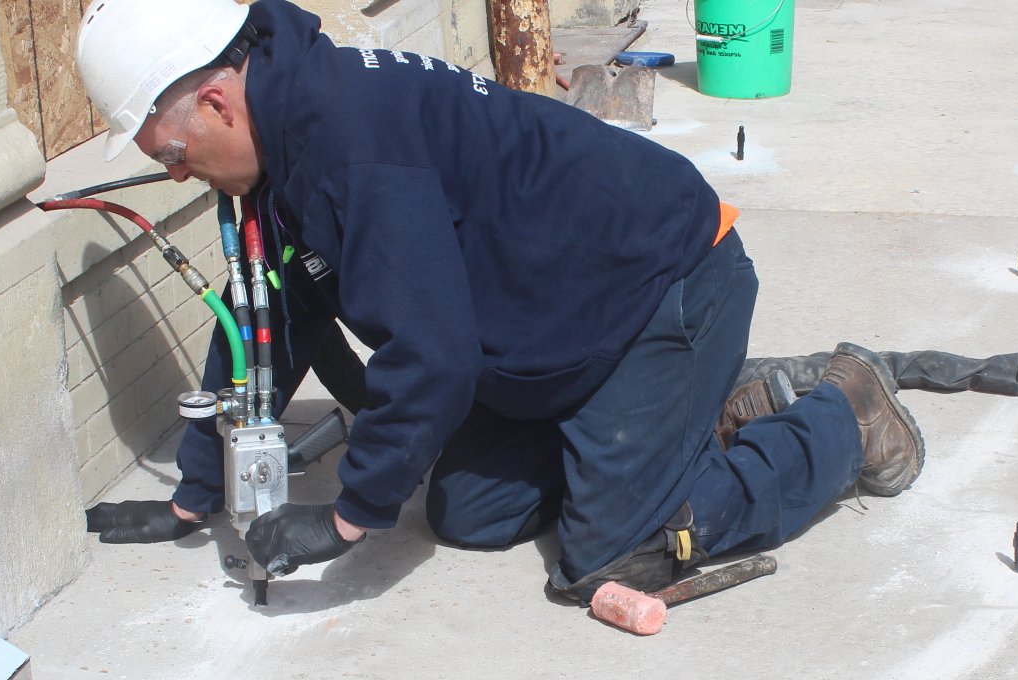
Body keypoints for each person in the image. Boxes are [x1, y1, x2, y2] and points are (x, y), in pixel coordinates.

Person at [72, 0, 924, 601]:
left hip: (662, 286)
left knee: (613, 553)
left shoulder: (348, 147)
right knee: (467, 513)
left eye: (176, 156)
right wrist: (196, 489)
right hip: (561, 323)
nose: (180, 174)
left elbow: (431, 356)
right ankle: (692, 418)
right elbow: (267, 307)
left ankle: (842, 416)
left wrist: (344, 521)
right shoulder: (285, 136)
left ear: (217, 100)